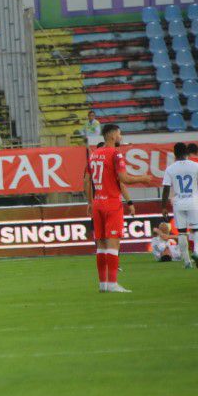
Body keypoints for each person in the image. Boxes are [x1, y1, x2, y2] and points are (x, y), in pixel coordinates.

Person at [85, 123, 154, 292]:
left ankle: (103, 284)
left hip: (98, 202)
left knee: (101, 245)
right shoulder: (115, 154)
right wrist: (143, 178)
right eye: (119, 134)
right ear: (113, 135)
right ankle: (113, 284)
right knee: (113, 244)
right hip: (111, 202)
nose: (120, 137)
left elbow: (87, 180)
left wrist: (90, 202)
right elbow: (124, 178)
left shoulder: (94, 155)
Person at [161, 141, 198, 269]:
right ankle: (197, 252)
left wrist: (164, 206)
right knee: (196, 229)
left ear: (174, 154)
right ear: (187, 152)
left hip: (178, 203)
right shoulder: (195, 166)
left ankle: (187, 262)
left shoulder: (170, 169)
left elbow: (166, 188)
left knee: (182, 233)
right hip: (193, 201)